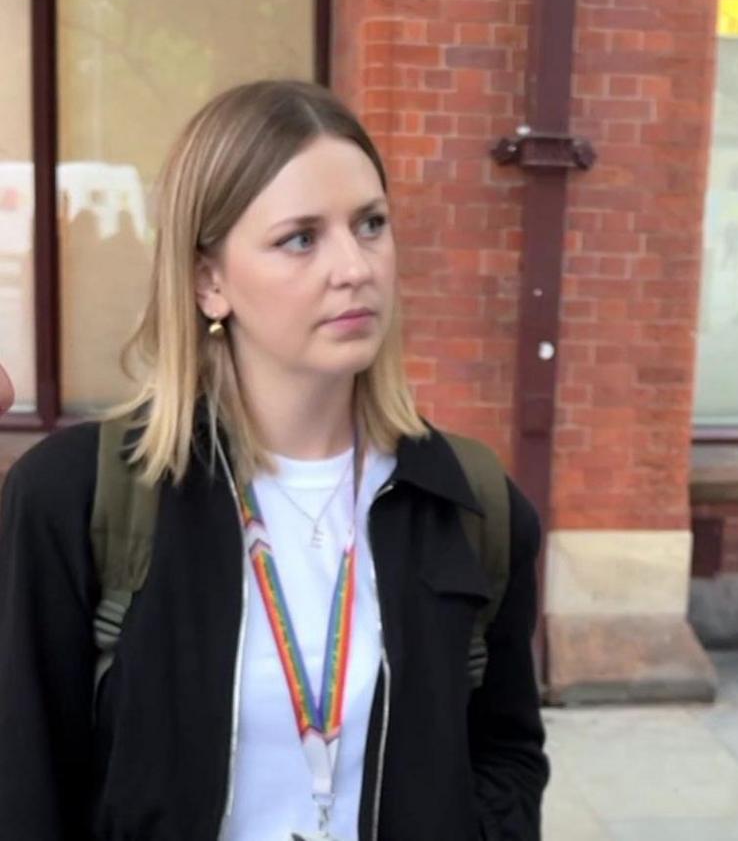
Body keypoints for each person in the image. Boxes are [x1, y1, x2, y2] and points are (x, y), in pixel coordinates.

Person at [0, 81, 548, 839]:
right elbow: (24, 784)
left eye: (371, 224)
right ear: (209, 281)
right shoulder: (76, 498)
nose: (354, 266)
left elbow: (505, 750)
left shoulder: (472, 503)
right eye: (301, 237)